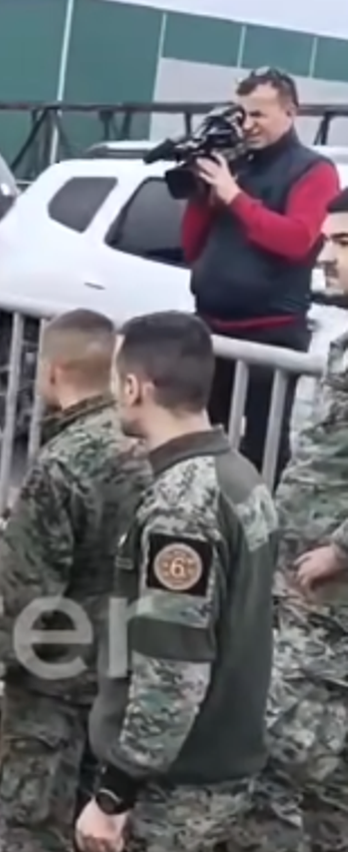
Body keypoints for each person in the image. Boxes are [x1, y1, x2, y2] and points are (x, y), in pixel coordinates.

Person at [0, 309, 150, 852]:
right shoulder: (149, 447)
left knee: (33, 828)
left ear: (52, 372)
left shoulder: (63, 465)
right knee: (99, 829)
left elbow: (21, 590)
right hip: (127, 677)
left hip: (55, 685)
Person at [75, 311, 279, 852]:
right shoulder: (241, 477)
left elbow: (173, 668)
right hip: (227, 763)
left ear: (134, 387)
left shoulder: (180, 507)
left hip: (176, 787)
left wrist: (114, 794)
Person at [224, 187, 348, 852]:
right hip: (304, 584)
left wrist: (343, 551)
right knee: (330, 778)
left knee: (267, 751)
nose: (326, 257)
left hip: (330, 596)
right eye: (327, 241)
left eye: (344, 244)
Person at [183, 67, 341, 480]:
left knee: (263, 449)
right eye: (242, 114)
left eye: (258, 114)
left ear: (291, 112)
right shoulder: (234, 164)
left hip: (271, 337)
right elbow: (191, 247)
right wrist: (202, 196)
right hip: (212, 330)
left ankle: (262, 515)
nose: (247, 125)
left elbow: (298, 241)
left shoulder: (314, 170)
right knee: (201, 439)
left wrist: (234, 196)